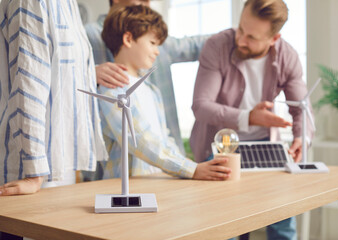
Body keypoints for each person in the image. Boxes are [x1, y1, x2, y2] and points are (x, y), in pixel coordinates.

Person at [190, 0, 314, 239]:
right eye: (241, 29)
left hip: (266, 145)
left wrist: (301, 137)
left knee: (282, 218)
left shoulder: (288, 56)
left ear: (274, 39)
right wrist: (249, 117)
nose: (241, 40)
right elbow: (201, 106)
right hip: (218, 148)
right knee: (224, 224)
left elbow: (302, 108)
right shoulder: (217, 46)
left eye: (252, 37)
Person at [98, 4, 231, 181]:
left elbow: (164, 138)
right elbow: (139, 140)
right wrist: (189, 169)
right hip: (126, 191)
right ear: (128, 39)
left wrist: (187, 165)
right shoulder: (111, 89)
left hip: (159, 183)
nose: (157, 51)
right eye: (152, 43)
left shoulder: (152, 91)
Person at [0, 0, 108, 196]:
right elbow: (29, 82)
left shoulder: (68, 5)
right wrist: (33, 173)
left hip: (56, 167)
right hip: (27, 173)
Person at [86, 0, 210, 155]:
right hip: (124, 162)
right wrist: (89, 73)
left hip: (166, 160)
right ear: (128, 39)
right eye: (143, 0)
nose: (147, 4)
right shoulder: (87, 36)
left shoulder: (153, 91)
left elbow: (195, 46)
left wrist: (237, 35)